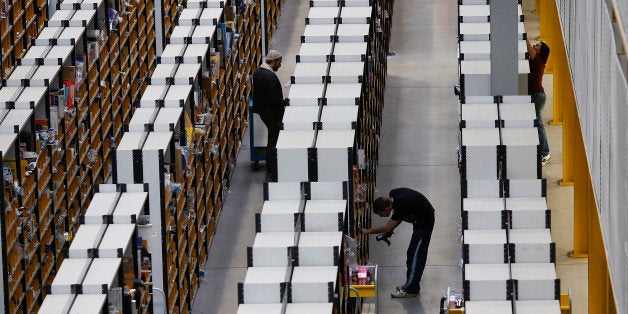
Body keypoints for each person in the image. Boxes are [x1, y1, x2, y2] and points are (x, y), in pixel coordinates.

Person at [362, 187, 435, 298]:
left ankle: (410, 290)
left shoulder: (400, 204)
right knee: (411, 253)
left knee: (416, 256)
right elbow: (400, 216)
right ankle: (413, 286)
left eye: (381, 214)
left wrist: (367, 231)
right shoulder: (393, 194)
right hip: (418, 221)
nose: (381, 216)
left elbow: (387, 227)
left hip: (425, 223)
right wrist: (391, 229)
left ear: (387, 209)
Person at [253, 50, 284, 181]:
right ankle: (271, 172)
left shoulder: (258, 71)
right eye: (279, 63)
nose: (280, 66)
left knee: (272, 140)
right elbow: (274, 98)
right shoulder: (270, 77)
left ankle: (271, 170)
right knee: (273, 142)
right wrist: (285, 102)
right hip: (271, 113)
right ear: (274, 61)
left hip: (263, 112)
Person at [527, 39, 551, 166]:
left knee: (538, 123)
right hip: (536, 95)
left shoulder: (537, 60)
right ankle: (542, 150)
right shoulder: (536, 61)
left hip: (537, 96)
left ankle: (545, 152)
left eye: (537, 46)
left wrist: (523, 36)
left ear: (540, 52)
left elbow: (527, 45)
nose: (534, 46)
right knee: (536, 123)